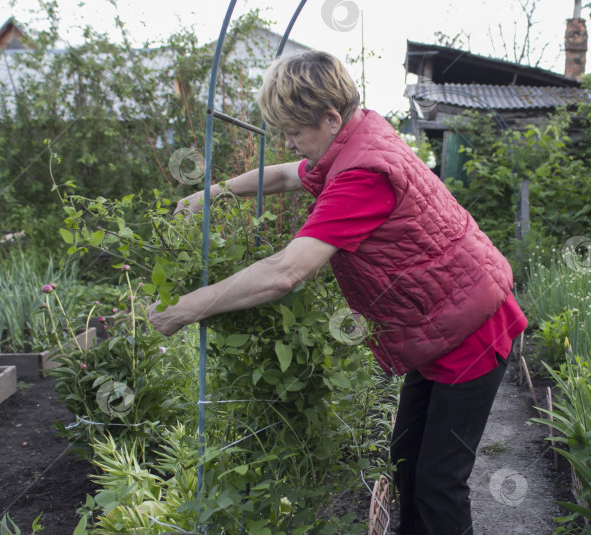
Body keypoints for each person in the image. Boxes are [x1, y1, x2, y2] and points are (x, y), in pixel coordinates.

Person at [148, 50, 527, 535]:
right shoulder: (352, 138)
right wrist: (213, 193)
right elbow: (284, 175)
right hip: (444, 319)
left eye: (293, 132)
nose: (289, 142)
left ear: (329, 118)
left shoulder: (362, 174)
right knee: (407, 457)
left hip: (472, 330)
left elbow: (286, 271)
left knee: (439, 480)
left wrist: (188, 308)